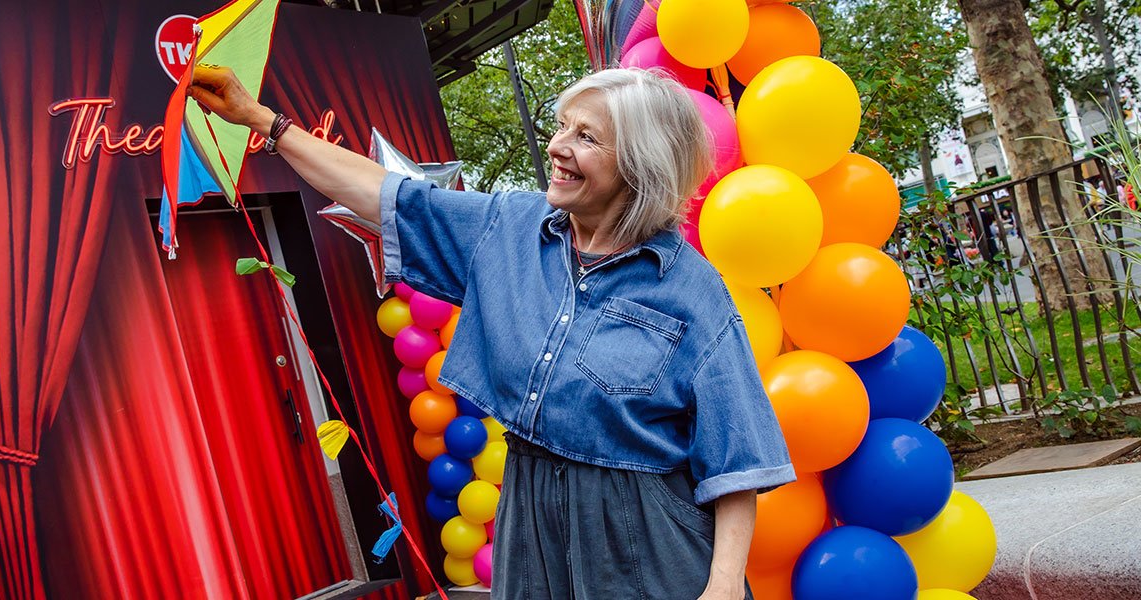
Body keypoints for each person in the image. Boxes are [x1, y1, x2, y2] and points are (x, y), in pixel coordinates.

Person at [190, 65, 794, 600]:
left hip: (646, 533)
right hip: (531, 516)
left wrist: (720, 587)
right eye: (561, 126)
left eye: (585, 137)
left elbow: (736, 461)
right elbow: (382, 194)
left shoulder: (691, 290)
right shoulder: (507, 227)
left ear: (641, 162)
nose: (558, 146)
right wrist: (261, 120)